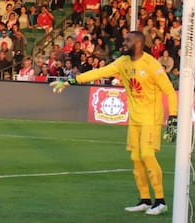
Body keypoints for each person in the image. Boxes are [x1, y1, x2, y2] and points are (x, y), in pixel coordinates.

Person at [50, 31, 178, 215]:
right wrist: (70, 80)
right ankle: (144, 199)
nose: (123, 43)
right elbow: (98, 72)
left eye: (128, 40)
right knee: (135, 158)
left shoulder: (152, 65)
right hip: (135, 117)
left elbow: (169, 91)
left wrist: (173, 118)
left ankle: (160, 201)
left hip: (151, 117)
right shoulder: (122, 62)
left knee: (148, 155)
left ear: (139, 43)